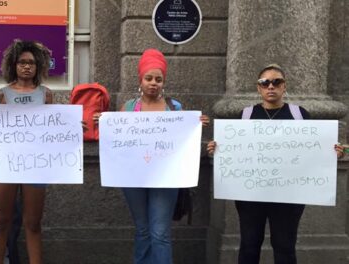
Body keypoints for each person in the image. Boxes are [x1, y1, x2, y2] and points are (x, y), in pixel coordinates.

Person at [207, 64, 345, 264]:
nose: (270, 86)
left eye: (276, 82)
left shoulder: (299, 115)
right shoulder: (246, 115)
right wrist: (216, 150)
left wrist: (335, 152)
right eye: (265, 82)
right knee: (249, 244)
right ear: (259, 88)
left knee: (284, 246)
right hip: (251, 195)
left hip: (288, 196)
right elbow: (233, 148)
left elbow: (316, 147)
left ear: (284, 86)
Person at [93, 48, 209, 264]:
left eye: (158, 79)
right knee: (143, 230)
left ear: (163, 82)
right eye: (149, 78)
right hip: (133, 179)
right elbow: (117, 141)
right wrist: (106, 123)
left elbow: (183, 140)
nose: (153, 83)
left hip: (165, 179)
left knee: (160, 233)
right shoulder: (128, 108)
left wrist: (195, 125)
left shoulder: (175, 109)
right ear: (141, 80)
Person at [0, 40, 53, 264]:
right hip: (7, 164)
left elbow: (54, 125)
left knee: (33, 223)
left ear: (39, 65)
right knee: (2, 221)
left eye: (31, 63)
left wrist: (73, 128)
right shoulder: (3, 94)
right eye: (22, 62)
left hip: (36, 164)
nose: (26, 66)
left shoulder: (46, 94)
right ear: (13, 65)